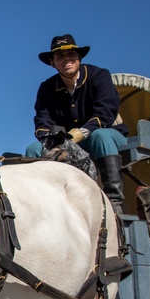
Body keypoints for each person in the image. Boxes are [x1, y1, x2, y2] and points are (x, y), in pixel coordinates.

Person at [25, 34, 128, 212]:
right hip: (67, 144)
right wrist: (51, 140)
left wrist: (81, 132)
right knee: (33, 149)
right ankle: (45, 206)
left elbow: (106, 113)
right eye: (60, 56)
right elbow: (42, 121)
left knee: (100, 136)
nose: (67, 60)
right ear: (52, 63)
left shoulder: (98, 75)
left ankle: (114, 201)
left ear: (79, 57)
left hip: (106, 137)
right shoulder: (46, 87)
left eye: (71, 54)